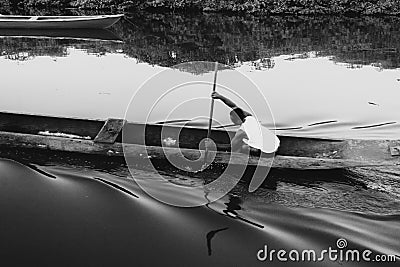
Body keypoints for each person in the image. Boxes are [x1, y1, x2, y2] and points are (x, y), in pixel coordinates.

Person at [211, 92, 280, 154]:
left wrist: (214, 146)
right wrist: (220, 97)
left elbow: (232, 147)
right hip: (276, 142)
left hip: (269, 151)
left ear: (236, 121)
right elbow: (233, 106)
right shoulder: (250, 118)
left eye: (232, 120)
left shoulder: (242, 132)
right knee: (245, 143)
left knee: (241, 148)